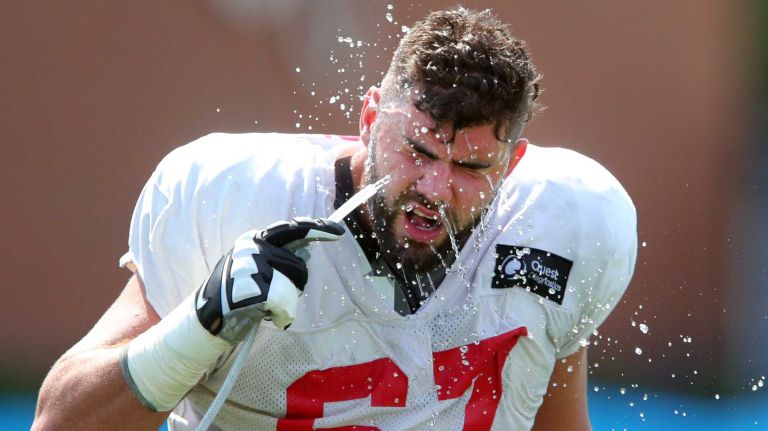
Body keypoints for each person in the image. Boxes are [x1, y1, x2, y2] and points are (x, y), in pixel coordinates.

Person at [33, 7, 636, 431]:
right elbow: (60, 422)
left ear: (514, 162)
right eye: (419, 152)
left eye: (470, 167)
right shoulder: (236, 197)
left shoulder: (562, 224)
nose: (434, 188)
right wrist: (201, 322)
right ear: (370, 118)